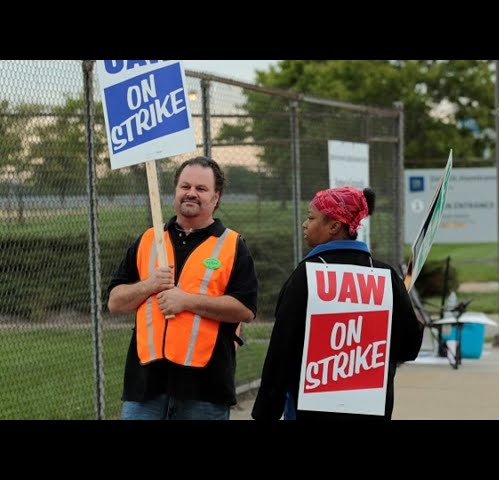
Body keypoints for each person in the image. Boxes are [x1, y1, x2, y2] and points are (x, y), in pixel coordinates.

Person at [251, 186, 424, 420]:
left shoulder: (306, 276)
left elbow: (282, 351)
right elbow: (409, 347)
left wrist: (265, 412)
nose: (305, 224)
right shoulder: (385, 275)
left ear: (334, 226)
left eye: (311, 218)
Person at [107, 156, 258, 420]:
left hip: (204, 391)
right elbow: (115, 302)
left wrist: (186, 301)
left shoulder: (232, 246)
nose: (191, 193)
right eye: (185, 186)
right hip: (145, 387)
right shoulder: (148, 240)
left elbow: (245, 309)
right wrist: (150, 285)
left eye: (201, 189)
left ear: (216, 197)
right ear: (175, 191)